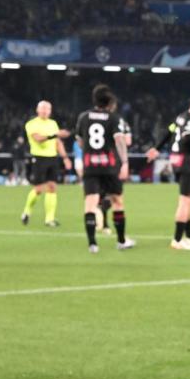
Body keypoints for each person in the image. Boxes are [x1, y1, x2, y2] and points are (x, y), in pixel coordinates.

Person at [146, 95, 190, 251]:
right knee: (185, 201)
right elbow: (186, 138)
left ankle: (189, 236)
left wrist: (156, 148)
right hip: (187, 162)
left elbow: (169, 131)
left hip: (181, 161)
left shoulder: (180, 118)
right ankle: (177, 240)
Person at [73, 84, 134, 253]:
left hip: (90, 165)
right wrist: (125, 163)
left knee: (90, 203)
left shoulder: (83, 117)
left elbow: (79, 141)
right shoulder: (113, 118)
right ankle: (121, 241)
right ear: (110, 102)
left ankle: (93, 243)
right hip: (109, 166)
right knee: (117, 201)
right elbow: (121, 141)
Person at [21, 101, 72, 227]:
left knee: (52, 187)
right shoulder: (32, 124)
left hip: (52, 158)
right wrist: (54, 134)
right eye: (42, 108)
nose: (45, 110)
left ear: (50, 111)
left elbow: (58, 142)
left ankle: (49, 219)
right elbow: (37, 138)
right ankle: (27, 211)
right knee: (38, 189)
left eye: (47, 108)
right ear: (37, 110)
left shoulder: (53, 123)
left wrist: (65, 158)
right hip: (39, 158)